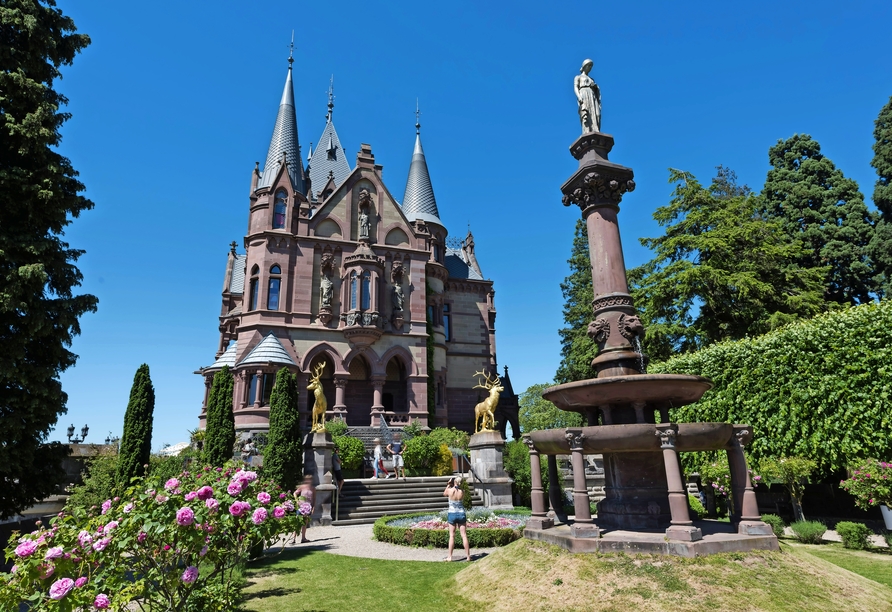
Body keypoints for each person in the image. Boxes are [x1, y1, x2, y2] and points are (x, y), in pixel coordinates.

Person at [443, 477, 471, 562]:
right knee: (464, 535)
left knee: (452, 536)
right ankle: (468, 556)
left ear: (454, 482)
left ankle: (450, 557)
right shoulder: (463, 492)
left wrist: (448, 485)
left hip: (452, 513)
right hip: (461, 513)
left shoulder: (450, 490)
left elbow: (444, 494)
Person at [574, 58, 601, 134]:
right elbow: (575, 87)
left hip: (592, 96)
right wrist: (579, 96)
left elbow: (596, 89)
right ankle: (587, 130)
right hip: (584, 94)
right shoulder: (578, 77)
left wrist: (595, 87)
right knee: (586, 113)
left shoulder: (591, 79)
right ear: (584, 66)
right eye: (588, 66)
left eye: (591, 66)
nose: (590, 68)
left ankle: (595, 129)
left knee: (597, 114)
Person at [294, 474, 316, 543]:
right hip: (300, 506)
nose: (308, 481)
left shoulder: (313, 488)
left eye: (310, 480)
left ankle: (303, 538)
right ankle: (293, 539)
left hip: (308, 507)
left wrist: (313, 508)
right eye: (307, 479)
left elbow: (314, 499)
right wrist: (297, 500)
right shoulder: (302, 487)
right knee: (297, 522)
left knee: (305, 523)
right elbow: (295, 493)